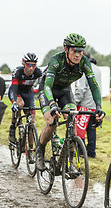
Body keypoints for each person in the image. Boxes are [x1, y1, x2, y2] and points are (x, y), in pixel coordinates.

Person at [36, 33, 105, 171]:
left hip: (64, 91)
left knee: (72, 120)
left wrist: (98, 107)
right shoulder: (56, 60)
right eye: (74, 51)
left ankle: (70, 163)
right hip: (47, 90)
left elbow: (93, 85)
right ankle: (40, 151)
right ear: (66, 49)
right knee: (51, 122)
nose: (78, 55)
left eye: (80, 51)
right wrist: (52, 105)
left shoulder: (84, 62)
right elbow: (48, 86)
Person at [8, 53, 42, 143]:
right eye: (29, 65)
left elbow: (43, 86)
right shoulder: (18, 71)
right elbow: (14, 88)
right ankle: (13, 126)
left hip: (28, 94)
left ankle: (30, 151)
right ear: (23, 64)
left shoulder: (38, 72)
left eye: (33, 65)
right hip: (17, 92)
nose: (31, 68)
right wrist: (14, 102)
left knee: (32, 121)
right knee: (20, 104)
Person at [74, 51, 102, 158]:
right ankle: (91, 152)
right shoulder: (97, 69)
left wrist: (75, 102)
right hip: (95, 104)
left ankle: (81, 151)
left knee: (80, 129)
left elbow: (81, 89)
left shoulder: (83, 69)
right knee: (92, 129)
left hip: (84, 104)